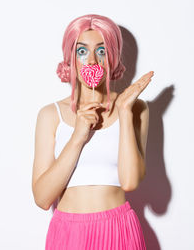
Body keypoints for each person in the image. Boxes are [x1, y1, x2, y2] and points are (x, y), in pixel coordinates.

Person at [32, 14, 153, 250]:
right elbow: (42, 198)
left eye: (101, 51)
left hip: (119, 230)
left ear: (113, 57)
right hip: (68, 234)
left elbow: (129, 181)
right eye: (82, 51)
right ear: (71, 58)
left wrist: (124, 111)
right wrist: (77, 137)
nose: (92, 61)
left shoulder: (135, 107)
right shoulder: (51, 114)